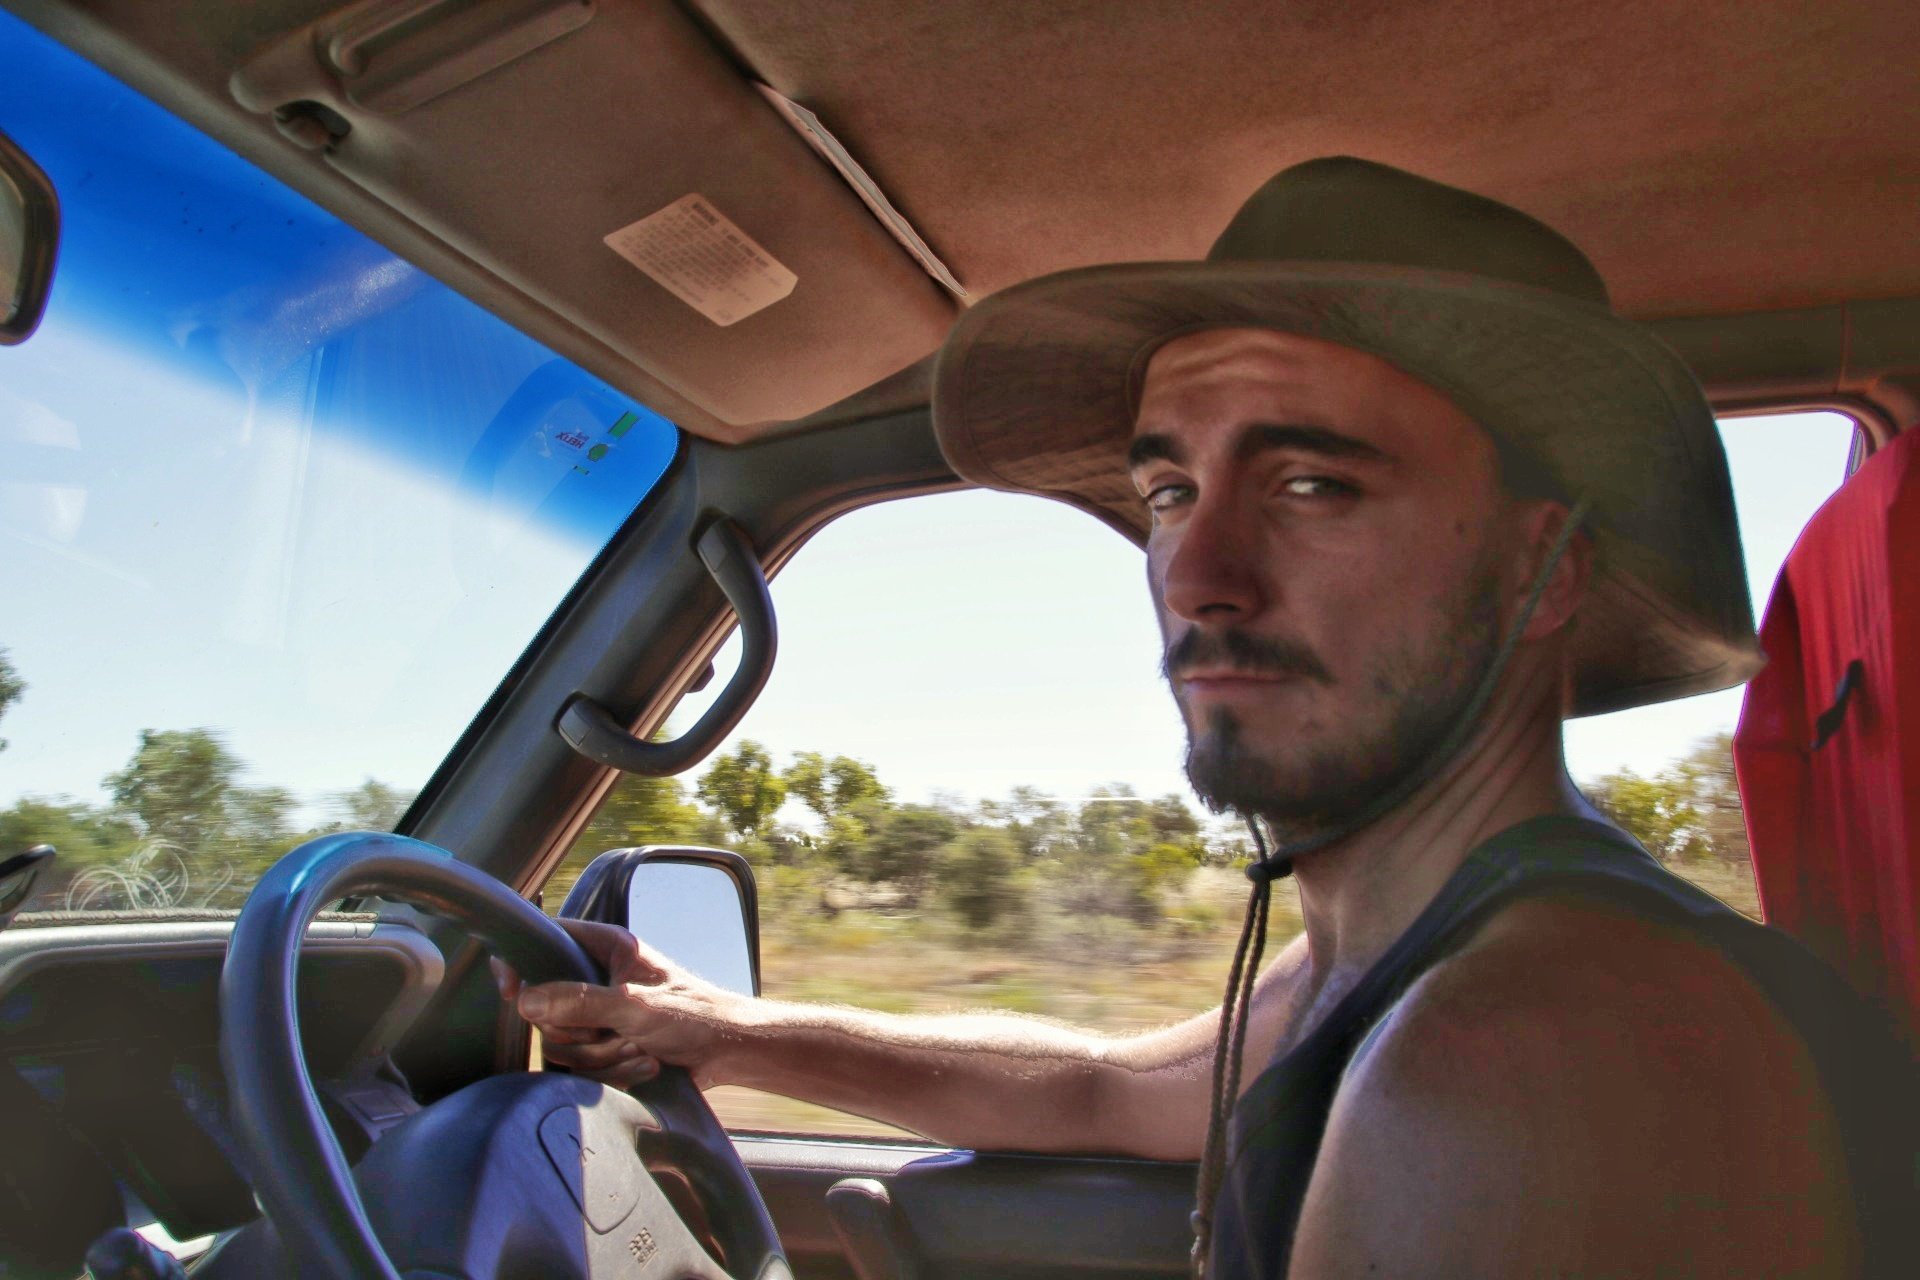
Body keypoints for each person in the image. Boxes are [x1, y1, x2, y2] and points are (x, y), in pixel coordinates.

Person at [502, 159, 1916, 1276]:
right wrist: (723, 1029)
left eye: (1314, 485)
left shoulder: (1524, 1054)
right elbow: (1107, 1092)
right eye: (1171, 492)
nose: (1196, 575)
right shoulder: (1418, 947)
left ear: (1547, 568)